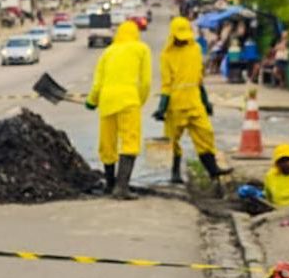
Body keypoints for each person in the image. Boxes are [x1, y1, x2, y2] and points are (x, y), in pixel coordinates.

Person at [153, 16, 232, 184]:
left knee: (205, 134)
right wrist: (162, 107)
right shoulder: (166, 55)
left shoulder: (195, 49)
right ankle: (174, 173)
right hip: (175, 106)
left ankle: (213, 170)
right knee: (172, 140)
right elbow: (166, 84)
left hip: (194, 102)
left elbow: (198, 79)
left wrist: (205, 102)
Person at [86, 20, 152, 200]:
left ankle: (109, 184)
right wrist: (140, 100)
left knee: (107, 143)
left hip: (107, 101)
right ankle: (121, 187)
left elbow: (98, 82)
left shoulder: (107, 52)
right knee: (129, 141)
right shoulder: (141, 49)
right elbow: (145, 82)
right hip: (129, 101)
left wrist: (92, 101)